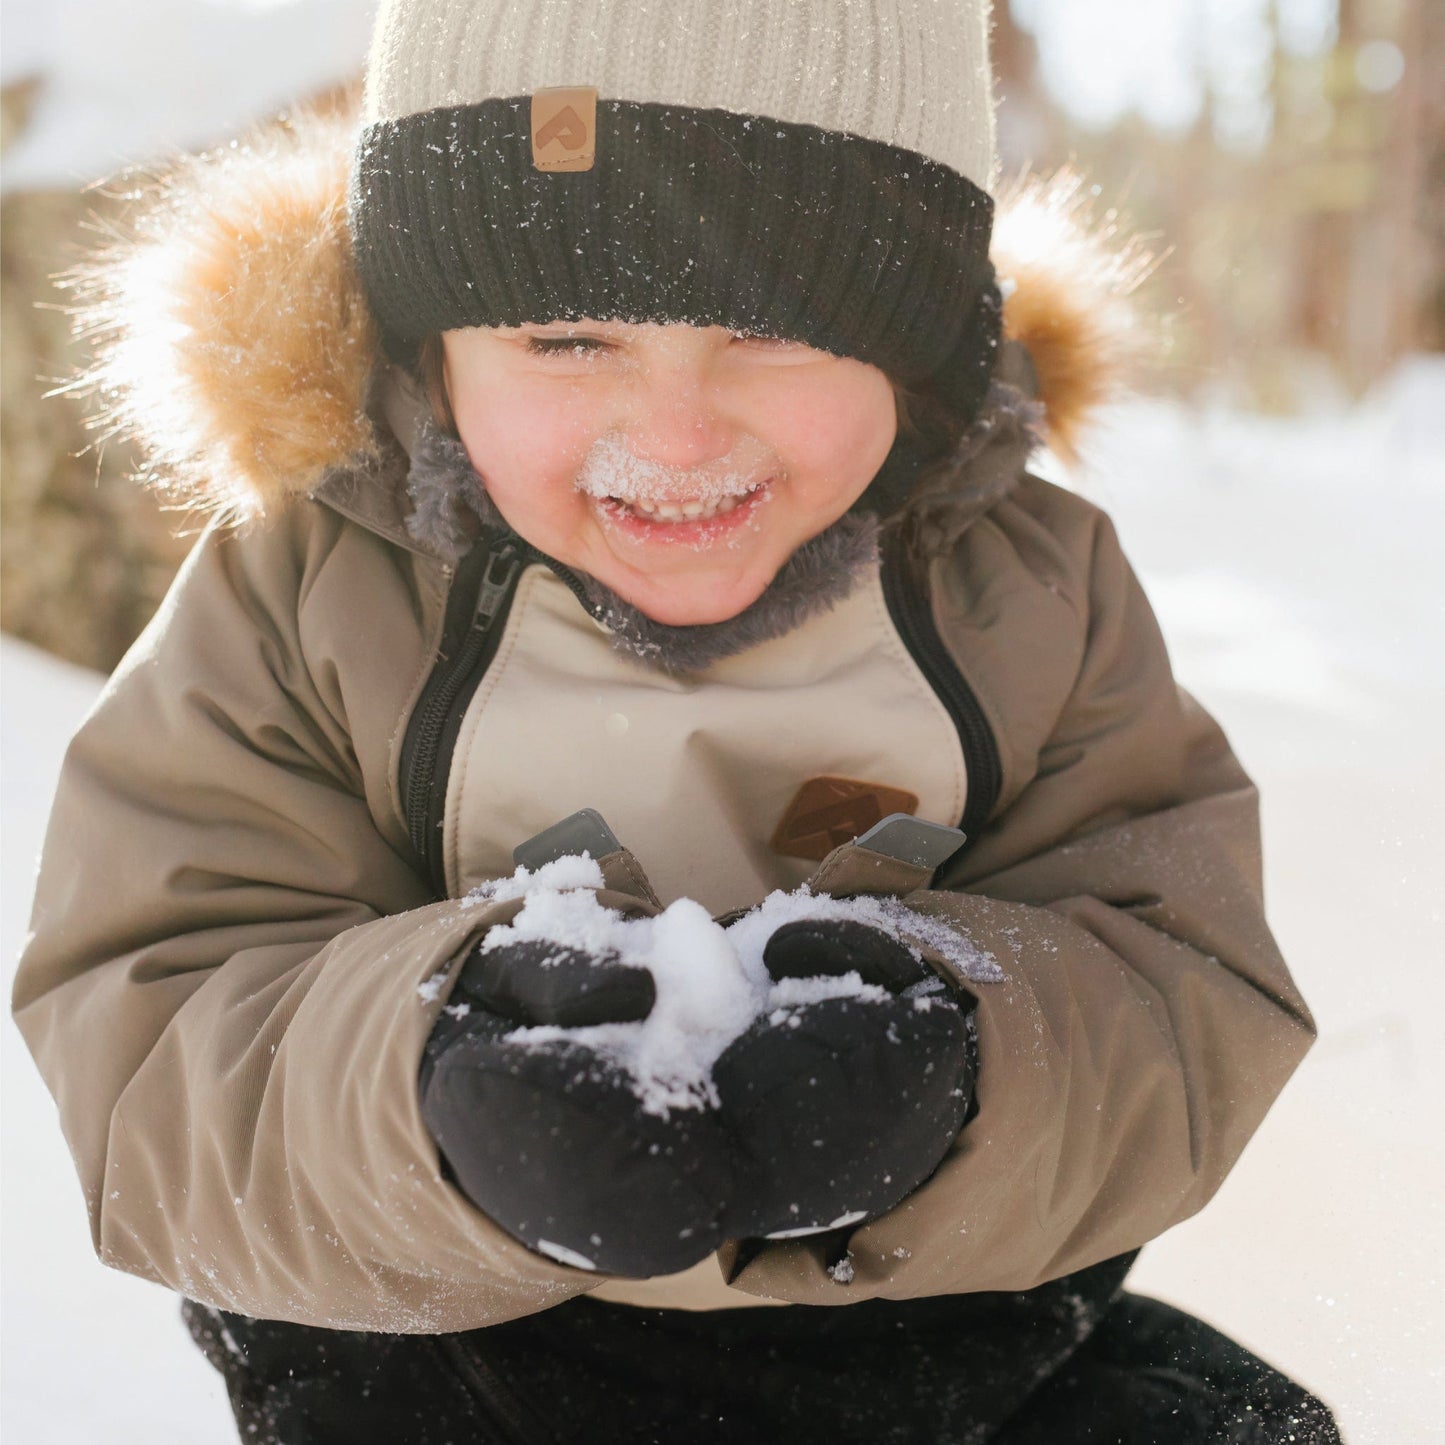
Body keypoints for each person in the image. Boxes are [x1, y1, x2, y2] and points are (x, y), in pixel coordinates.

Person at [12, 1, 1343, 1440]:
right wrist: (429, 1093)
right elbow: (157, 1025)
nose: (675, 437)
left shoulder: (1025, 590)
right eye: (567, 337)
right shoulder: (305, 590)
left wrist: (966, 1062)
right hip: (451, 1347)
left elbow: (1182, 974)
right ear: (427, 347)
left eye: (771, 329)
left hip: (924, 1330)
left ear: (916, 349)